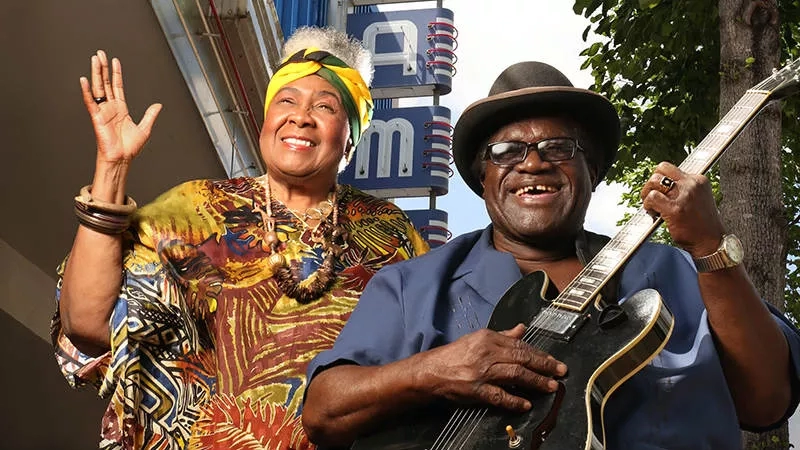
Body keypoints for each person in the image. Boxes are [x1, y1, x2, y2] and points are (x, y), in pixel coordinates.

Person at [302, 61, 800, 449]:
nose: (533, 162)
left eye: (558, 147)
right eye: (505, 152)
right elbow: (324, 411)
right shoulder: (413, 286)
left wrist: (710, 248)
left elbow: (767, 402)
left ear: (592, 171)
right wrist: (432, 370)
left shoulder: (677, 270)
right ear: (484, 180)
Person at [51, 26, 428, 450]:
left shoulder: (392, 234)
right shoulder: (195, 207)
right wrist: (112, 166)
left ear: (350, 140)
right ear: (266, 119)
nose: (301, 116)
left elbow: (428, 367)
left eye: (325, 106)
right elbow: (88, 323)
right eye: (287, 100)